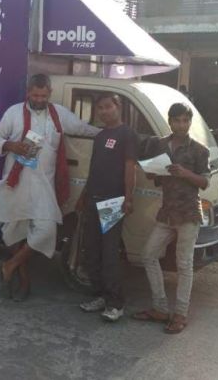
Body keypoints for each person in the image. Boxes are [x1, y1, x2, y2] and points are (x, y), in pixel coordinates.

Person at [0, 73, 99, 301]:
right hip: (16, 182)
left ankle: (8, 266)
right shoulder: (14, 112)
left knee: (46, 230)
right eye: (35, 95)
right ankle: (24, 282)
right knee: (14, 233)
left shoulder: (59, 114)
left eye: (43, 95)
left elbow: (82, 129)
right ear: (28, 93)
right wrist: (10, 145)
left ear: (49, 93)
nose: (39, 100)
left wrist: (110, 133)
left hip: (43, 185)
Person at [132, 102, 210, 334]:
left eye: (185, 120)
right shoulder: (160, 145)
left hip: (188, 213)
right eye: (177, 120)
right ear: (170, 121)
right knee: (148, 255)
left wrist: (185, 173)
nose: (181, 125)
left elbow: (205, 182)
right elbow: (155, 176)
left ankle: (180, 314)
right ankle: (160, 308)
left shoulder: (199, 150)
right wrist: (152, 172)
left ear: (190, 122)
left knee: (184, 264)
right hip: (167, 212)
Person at [76, 93, 137, 322]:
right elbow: (94, 169)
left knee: (110, 255)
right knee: (91, 252)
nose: (104, 111)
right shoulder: (100, 136)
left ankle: (115, 304)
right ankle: (100, 296)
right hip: (93, 199)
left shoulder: (127, 134)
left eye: (108, 106)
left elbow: (130, 167)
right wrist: (83, 195)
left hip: (113, 202)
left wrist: (128, 198)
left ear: (117, 106)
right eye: (100, 108)